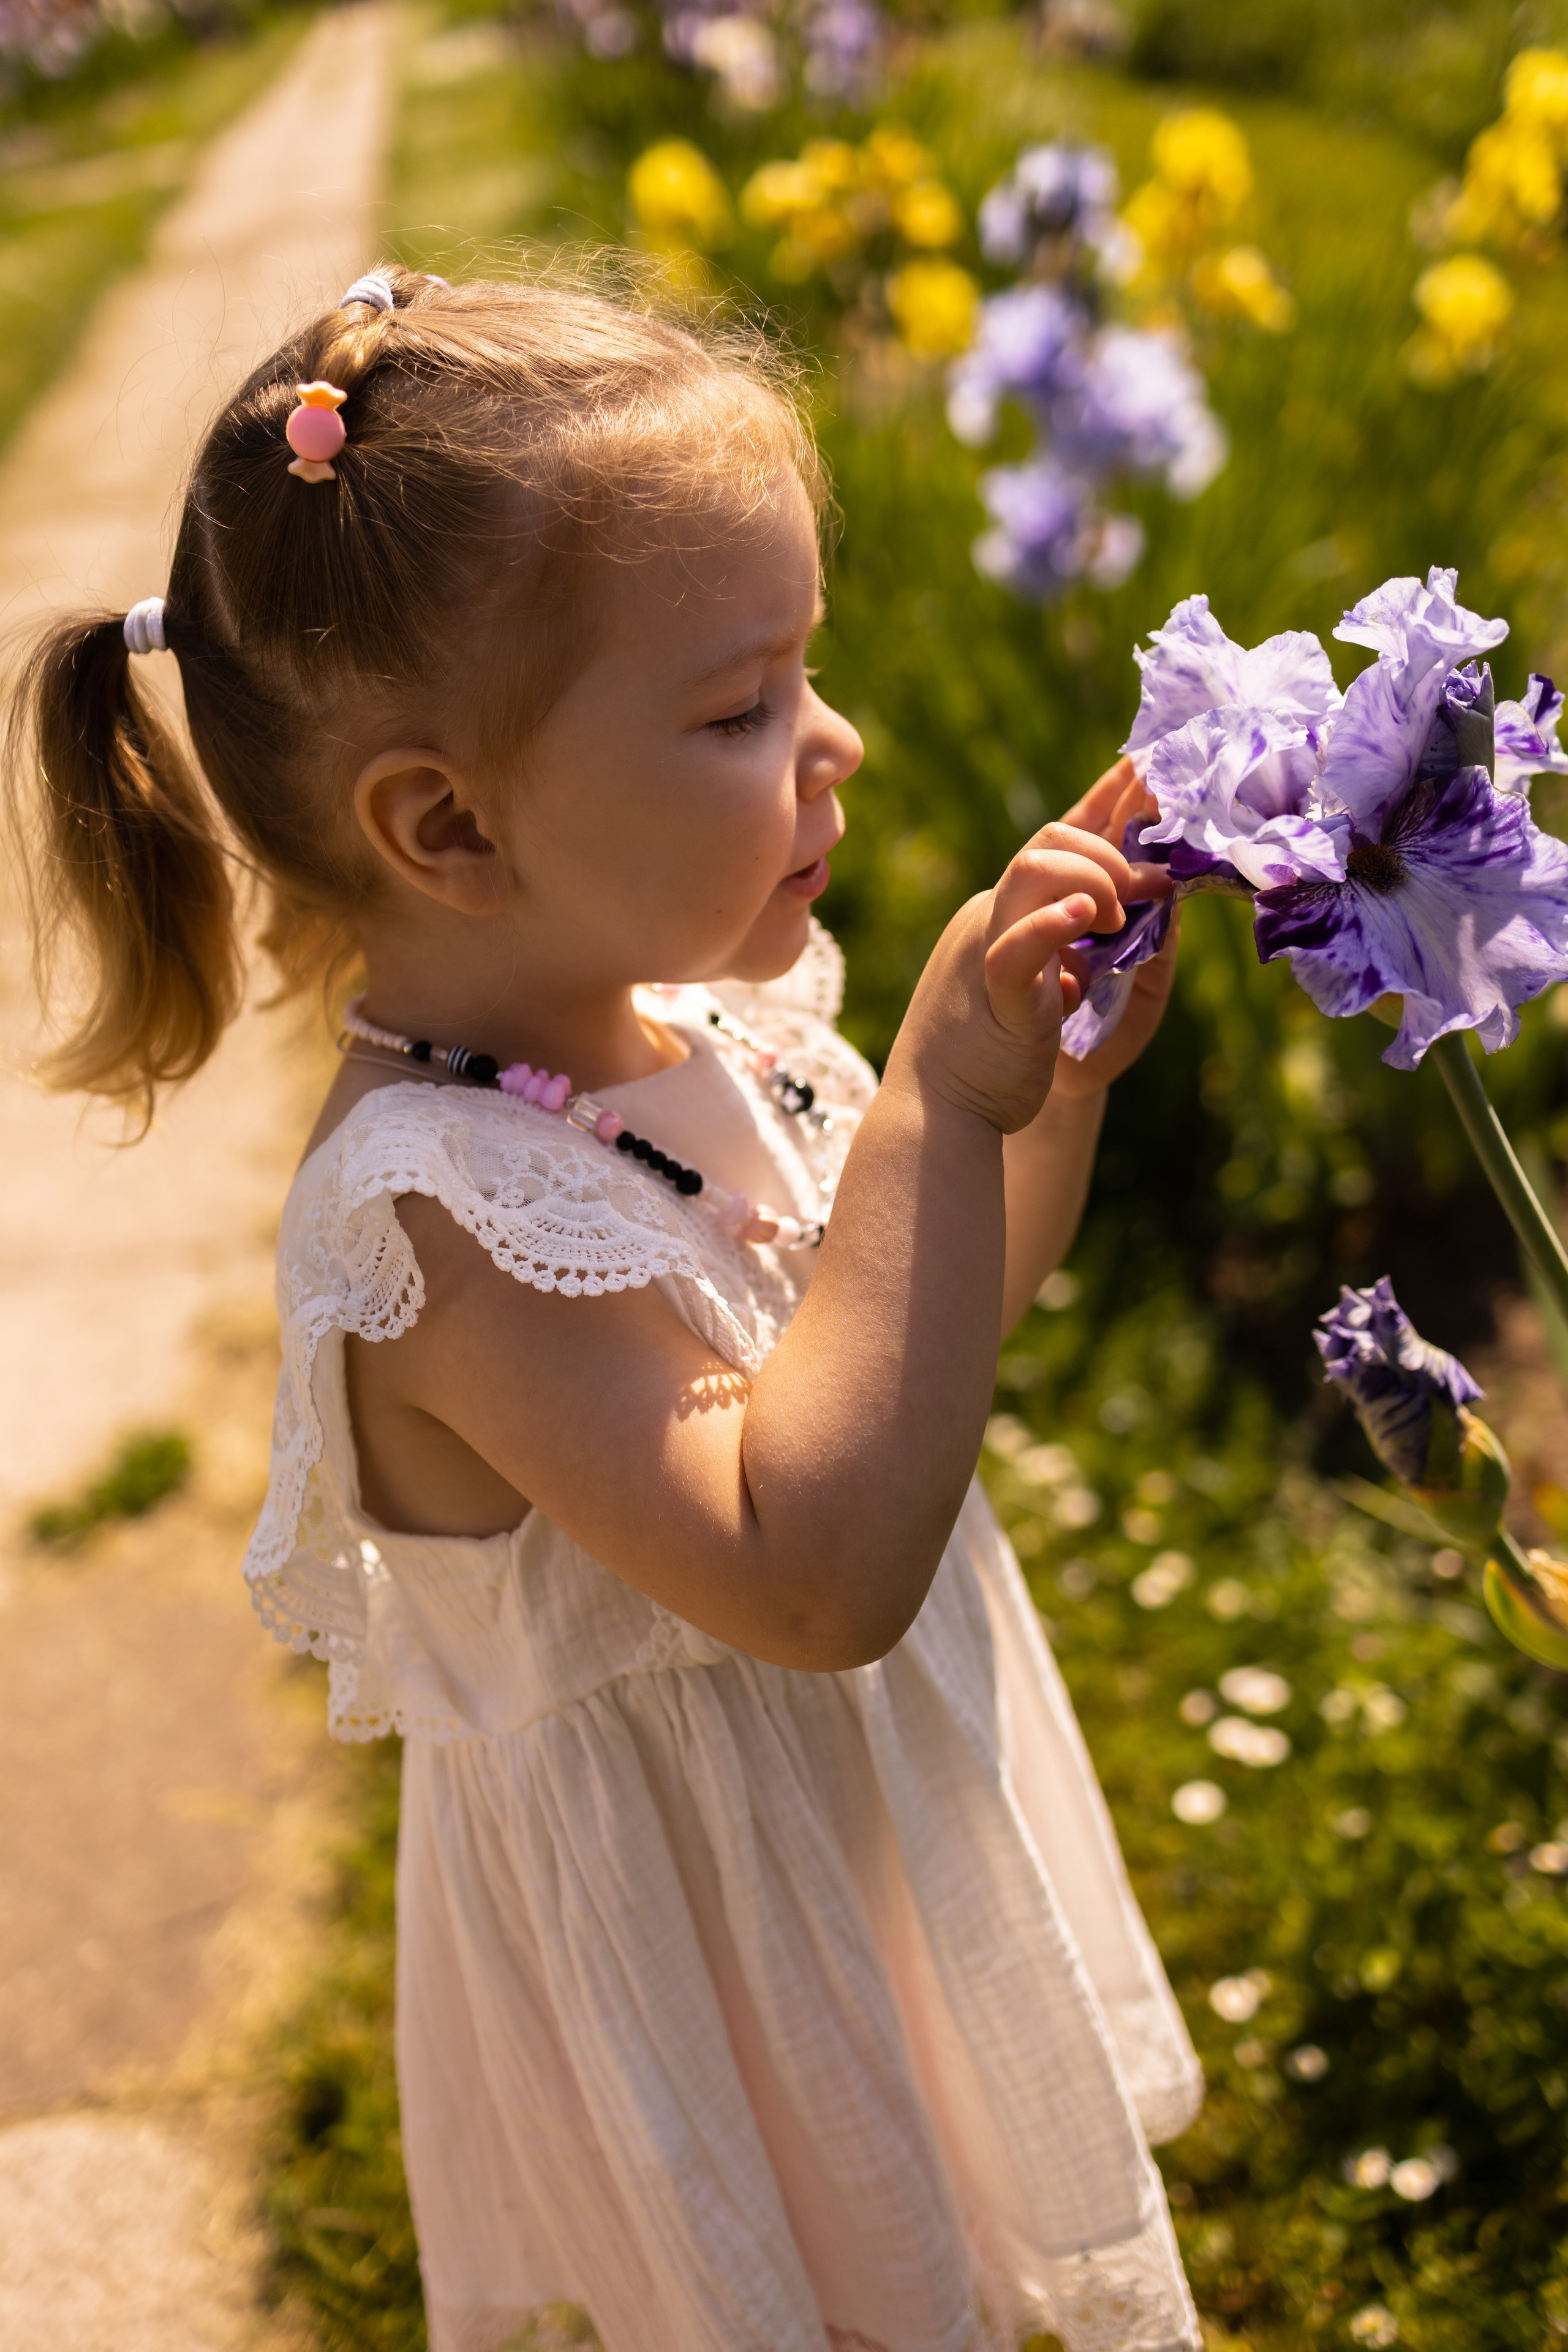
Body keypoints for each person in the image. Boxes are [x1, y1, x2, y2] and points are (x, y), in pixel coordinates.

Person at [10, 263, 1202, 2352]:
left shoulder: (699, 1027)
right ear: (453, 825)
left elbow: (914, 1342)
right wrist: (936, 1101)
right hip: (719, 1956)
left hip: (859, 1855)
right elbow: (810, 1569)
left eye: (804, 670)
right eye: (740, 709)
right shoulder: (440, 1220)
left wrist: (1045, 1106)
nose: (836, 740)